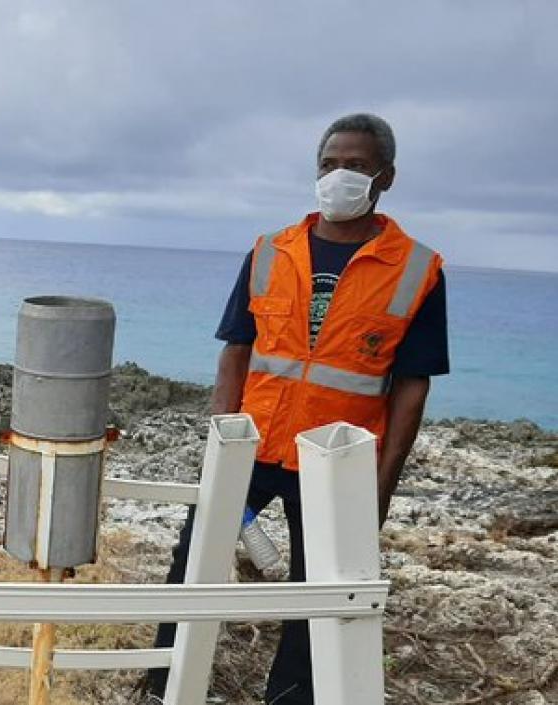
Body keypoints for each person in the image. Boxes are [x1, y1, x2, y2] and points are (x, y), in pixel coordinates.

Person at [146, 113, 449, 704]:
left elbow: (413, 387)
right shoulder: (269, 252)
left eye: (356, 166)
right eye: (330, 163)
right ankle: (164, 684)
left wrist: (381, 485)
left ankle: (287, 697)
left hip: (336, 458)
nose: (340, 175)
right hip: (253, 444)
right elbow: (236, 350)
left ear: (384, 177)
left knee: (319, 592)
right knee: (194, 562)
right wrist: (220, 443)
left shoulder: (417, 269)